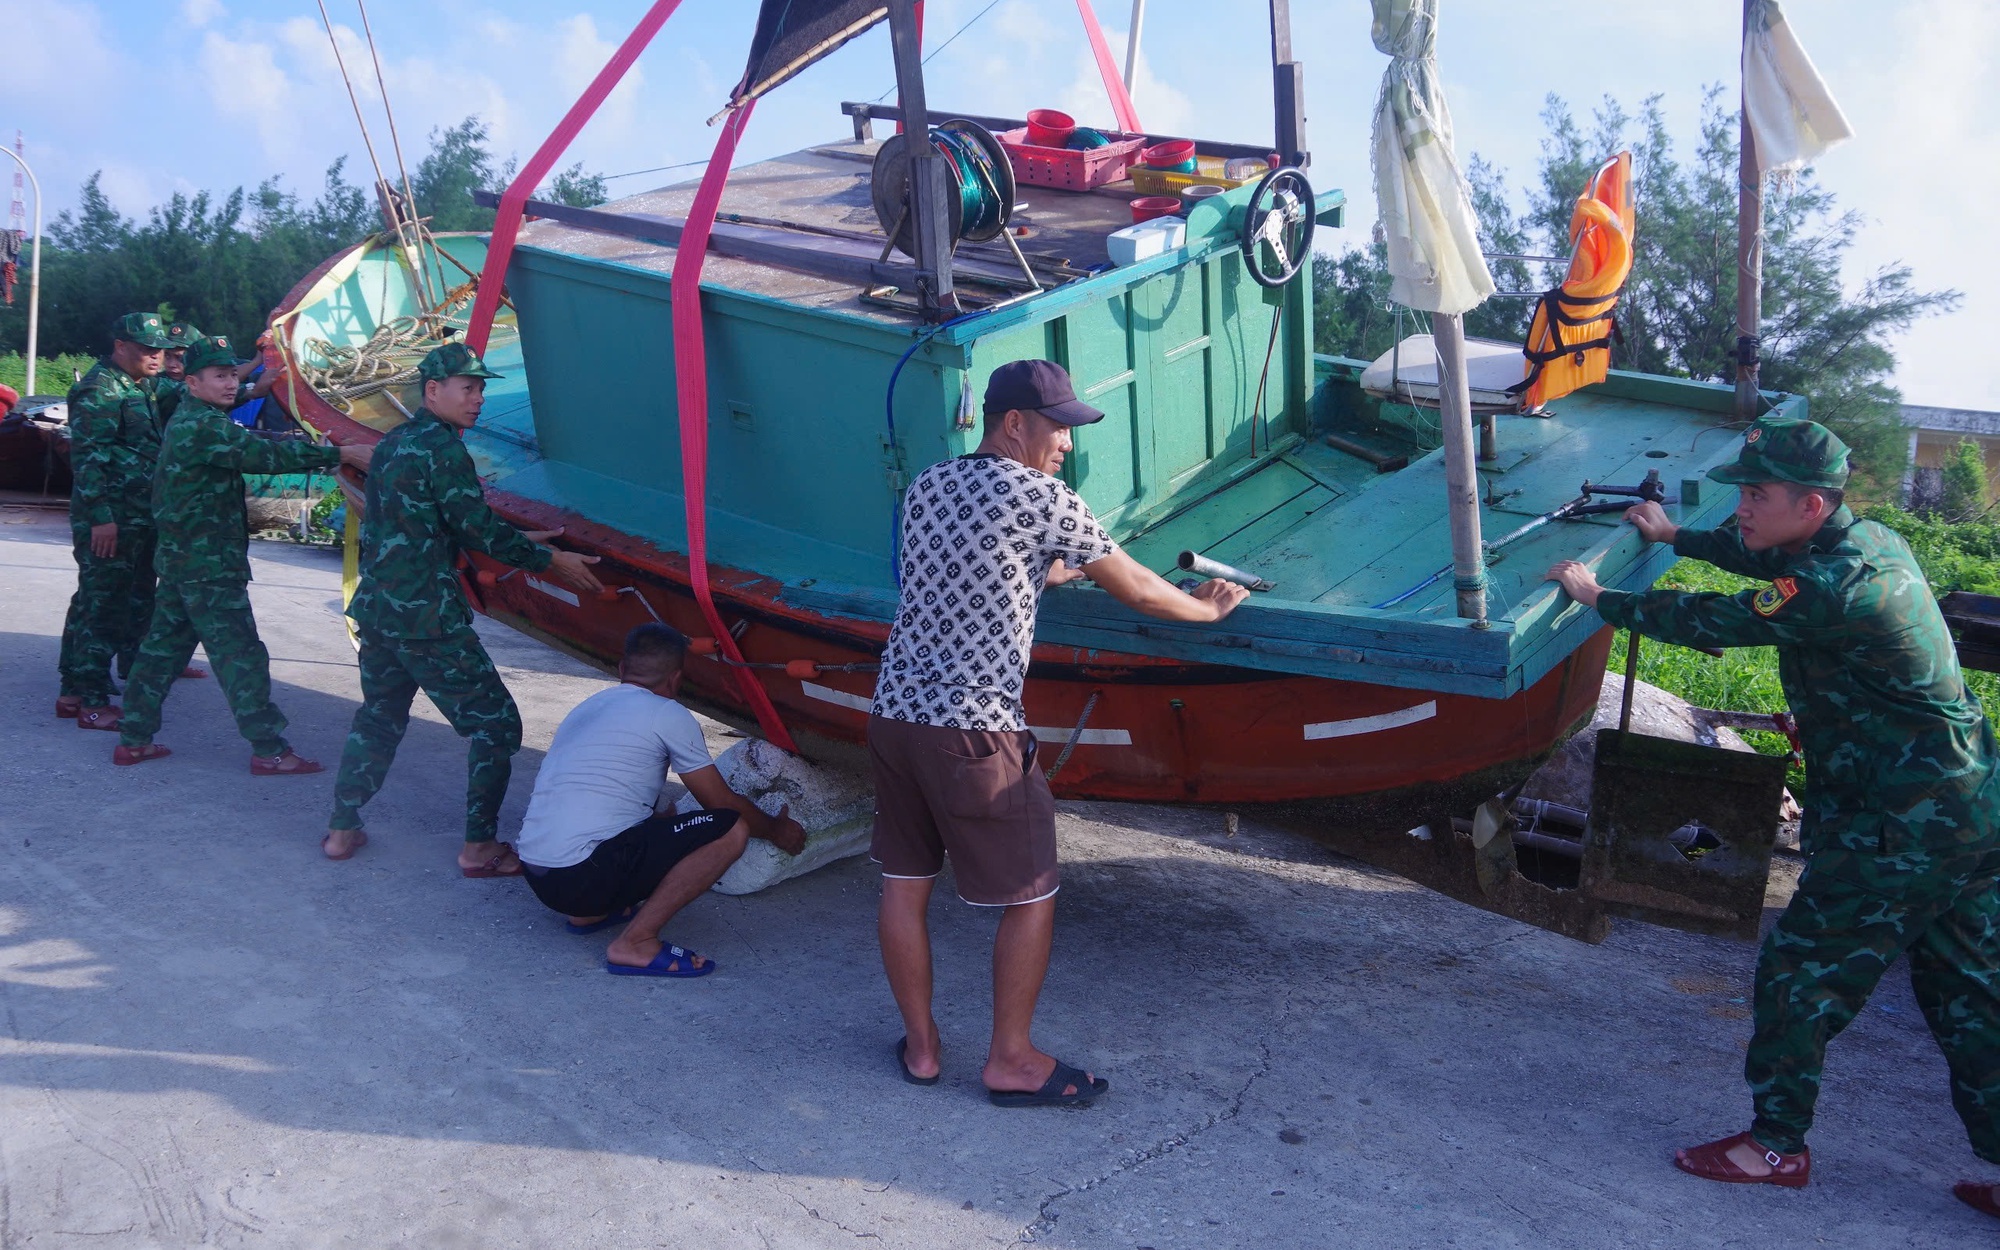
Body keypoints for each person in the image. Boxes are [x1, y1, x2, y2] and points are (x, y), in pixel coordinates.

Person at [1545, 415, 1999, 1215]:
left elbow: (1720, 619)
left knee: (1799, 975)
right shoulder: (1867, 542)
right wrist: (1678, 534)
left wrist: (1599, 597)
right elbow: (1759, 559)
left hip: (1902, 823)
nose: (1743, 508)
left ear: (1812, 504)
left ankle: (1774, 1148)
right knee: (1969, 993)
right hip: (1964, 807)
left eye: (1756, 494)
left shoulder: (1834, 584)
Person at [871, 359, 1250, 1106]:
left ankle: (921, 1049)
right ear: (1015, 424)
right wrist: (1205, 610)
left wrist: (1061, 565)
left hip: (893, 715)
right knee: (1032, 890)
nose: (1068, 445)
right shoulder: (1044, 496)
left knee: (903, 883)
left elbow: (992, 567)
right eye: (1060, 428)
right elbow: (1141, 589)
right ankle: (1011, 1060)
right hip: (975, 733)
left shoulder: (928, 485)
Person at [324, 342, 604, 871]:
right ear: (433, 390)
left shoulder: (394, 443)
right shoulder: (444, 449)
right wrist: (552, 563)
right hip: (425, 617)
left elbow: (439, 519)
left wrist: (526, 537)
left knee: (380, 717)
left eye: (481, 389)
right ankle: (479, 848)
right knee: (496, 727)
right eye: (468, 388)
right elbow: (474, 527)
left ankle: (342, 828)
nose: (478, 400)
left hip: (379, 610)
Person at [112, 335, 371, 771]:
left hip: (183, 560)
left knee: (161, 652)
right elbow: (261, 454)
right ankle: (270, 751)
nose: (230, 384)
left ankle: (133, 738)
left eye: (233, 375)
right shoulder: (204, 426)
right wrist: (341, 451)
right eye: (219, 376)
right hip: (208, 564)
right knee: (240, 657)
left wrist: (260, 383)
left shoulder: (194, 415)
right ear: (192, 382)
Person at [514, 622, 807, 977]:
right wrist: (777, 830)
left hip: (540, 875)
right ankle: (635, 942)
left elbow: (608, 792)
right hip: (583, 876)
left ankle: (591, 913)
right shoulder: (668, 714)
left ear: (622, 669)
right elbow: (720, 803)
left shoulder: (591, 706)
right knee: (730, 828)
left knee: (662, 822)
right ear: (675, 679)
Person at [58, 313, 173, 729]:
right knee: (104, 606)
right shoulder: (99, 389)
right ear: (120, 346)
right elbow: (88, 460)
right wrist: (102, 520)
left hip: (138, 517)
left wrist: (253, 375)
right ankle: (91, 700)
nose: (155, 355)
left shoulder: (141, 384)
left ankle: (72, 690)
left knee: (101, 601)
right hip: (111, 520)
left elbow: (194, 388)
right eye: (145, 348)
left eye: (158, 348)